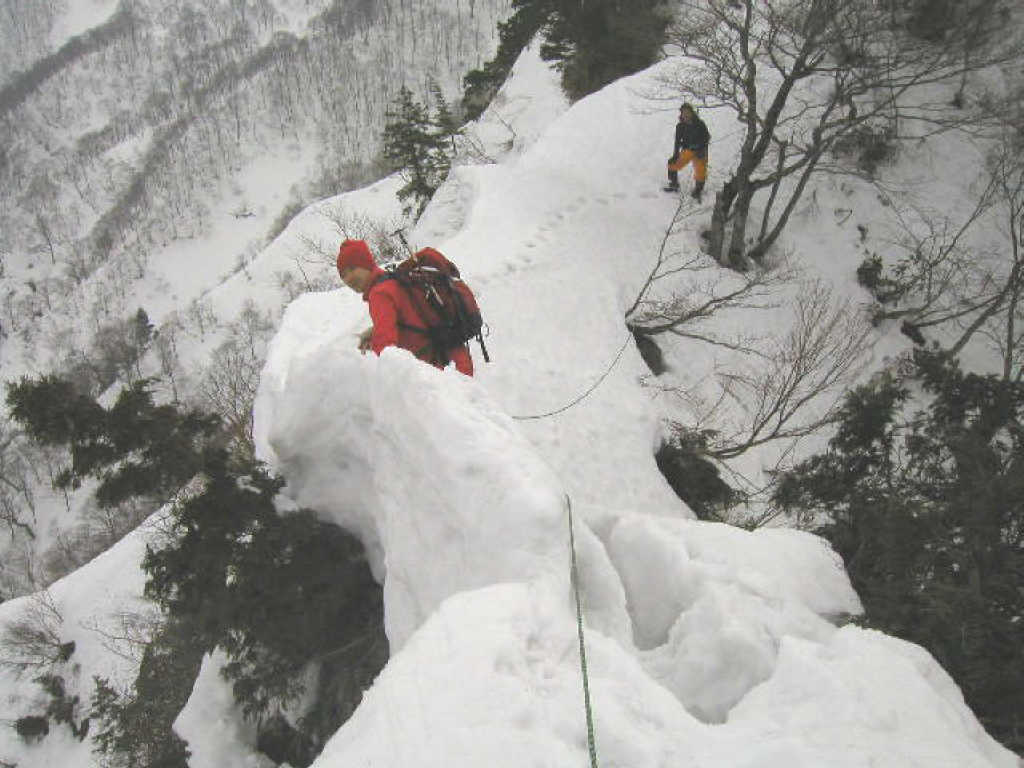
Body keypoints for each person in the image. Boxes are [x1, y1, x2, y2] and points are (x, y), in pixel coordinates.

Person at [336, 239, 474, 376]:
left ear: (366, 264)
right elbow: (409, 319)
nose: (348, 278)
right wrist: (373, 333)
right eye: (343, 275)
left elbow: (386, 349)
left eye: (352, 269)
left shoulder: (379, 294)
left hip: (433, 372)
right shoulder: (392, 281)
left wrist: (377, 377)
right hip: (455, 360)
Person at [665, 103, 710, 200]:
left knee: (701, 170)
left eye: (688, 112)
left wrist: (700, 147)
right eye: (683, 113)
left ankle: (698, 190)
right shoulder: (680, 126)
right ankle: (674, 184)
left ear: (692, 113)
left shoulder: (700, 124)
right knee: (672, 163)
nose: (686, 115)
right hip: (688, 150)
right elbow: (677, 142)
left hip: (700, 151)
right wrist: (675, 155)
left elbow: (707, 138)